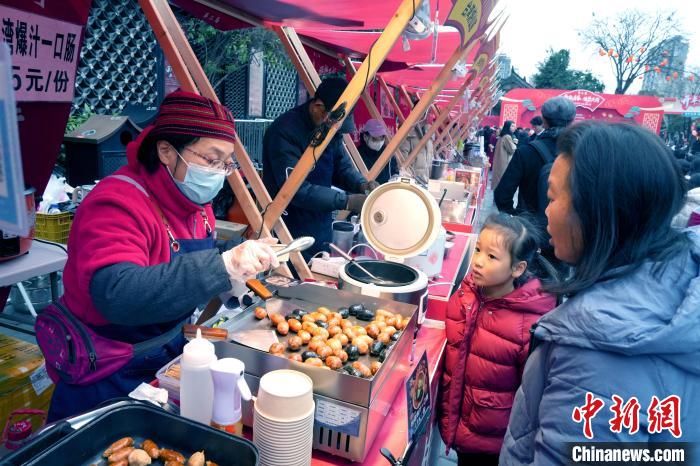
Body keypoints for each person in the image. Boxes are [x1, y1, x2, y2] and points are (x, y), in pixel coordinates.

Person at [41, 91, 280, 421]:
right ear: (166, 151)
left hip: (168, 360)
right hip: (108, 371)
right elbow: (117, 293)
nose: (219, 173)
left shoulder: (198, 208)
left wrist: (236, 272)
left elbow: (188, 270)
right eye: (211, 160)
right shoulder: (116, 202)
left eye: (226, 163)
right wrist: (222, 265)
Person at [500, 121, 700, 465]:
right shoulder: (677, 285)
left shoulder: (598, 356)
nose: (546, 211)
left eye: (552, 197)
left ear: (597, 210)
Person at [438, 213, 556, 466]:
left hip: (493, 440)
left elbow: (533, 393)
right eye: (478, 249)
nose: (478, 261)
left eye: (491, 256)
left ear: (517, 268)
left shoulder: (529, 324)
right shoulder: (466, 295)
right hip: (459, 424)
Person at [262, 78, 374, 260]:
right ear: (317, 106)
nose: (335, 128)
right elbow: (295, 189)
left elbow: (341, 166)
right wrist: (346, 201)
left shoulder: (330, 128)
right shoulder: (284, 131)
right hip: (289, 225)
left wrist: (362, 185)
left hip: (320, 220)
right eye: (334, 122)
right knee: (293, 280)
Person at [357, 118, 397, 184]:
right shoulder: (357, 154)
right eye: (375, 139)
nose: (379, 142)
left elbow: (394, 172)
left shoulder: (388, 153)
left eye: (382, 138)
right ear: (365, 137)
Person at [491, 120, 517, 189]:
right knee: (502, 183)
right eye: (512, 126)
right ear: (508, 126)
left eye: (514, 126)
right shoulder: (507, 137)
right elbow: (512, 150)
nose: (514, 128)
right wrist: (514, 143)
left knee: (498, 183)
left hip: (499, 162)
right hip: (504, 163)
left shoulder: (502, 136)